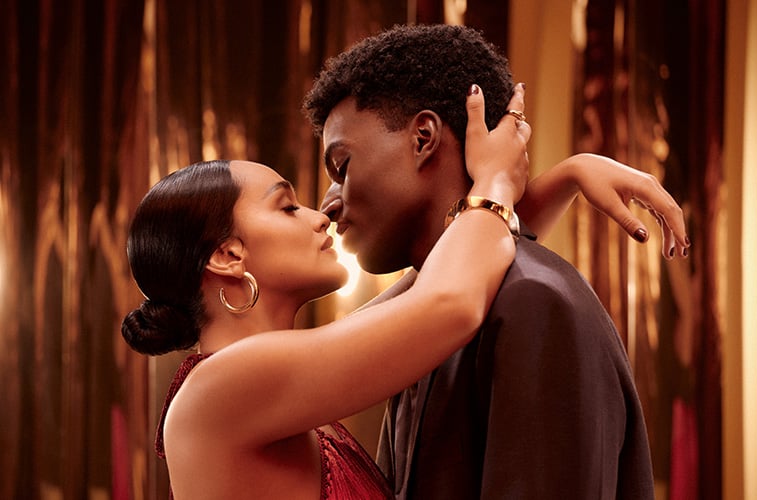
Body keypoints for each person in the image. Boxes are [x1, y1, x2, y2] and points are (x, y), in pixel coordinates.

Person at [303, 24, 689, 499]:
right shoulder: (423, 316)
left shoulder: (533, 301)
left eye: (342, 166)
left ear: (423, 137)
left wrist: (544, 183)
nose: (327, 205)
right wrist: (512, 187)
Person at [121, 87, 529, 498]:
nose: (320, 217)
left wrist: (547, 179)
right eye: (287, 207)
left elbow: (464, 270)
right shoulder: (223, 386)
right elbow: (451, 304)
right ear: (228, 255)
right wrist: (495, 179)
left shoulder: (271, 378)